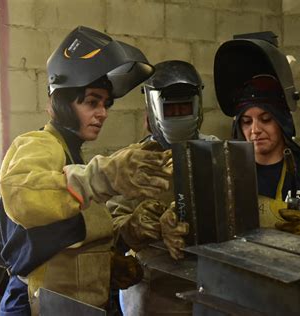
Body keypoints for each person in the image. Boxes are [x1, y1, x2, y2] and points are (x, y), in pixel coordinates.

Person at [0, 26, 174, 316]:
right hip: (33, 307)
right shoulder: (39, 144)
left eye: (105, 104)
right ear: (64, 102)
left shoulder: (73, 156)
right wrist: (101, 176)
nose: (102, 112)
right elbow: (21, 194)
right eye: (92, 102)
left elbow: (70, 234)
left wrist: (109, 259)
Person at [214, 32, 300, 234]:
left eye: (266, 119)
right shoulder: (227, 175)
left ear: (282, 121)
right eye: (247, 121)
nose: (255, 130)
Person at [108, 60, 217, 316]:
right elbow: (109, 230)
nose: (178, 117)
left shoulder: (217, 154)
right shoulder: (133, 162)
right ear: (151, 111)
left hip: (209, 291)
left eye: (184, 108)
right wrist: (134, 225)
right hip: (152, 296)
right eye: (171, 109)